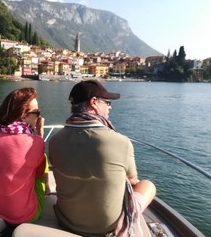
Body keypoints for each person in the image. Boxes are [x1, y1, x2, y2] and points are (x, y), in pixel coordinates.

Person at [49, 80, 156, 237]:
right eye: (107, 102)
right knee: (148, 185)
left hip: (66, 220)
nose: (110, 107)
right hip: (106, 228)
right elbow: (133, 182)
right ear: (94, 102)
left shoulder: (54, 140)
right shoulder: (120, 142)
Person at [0, 87, 50, 225]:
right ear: (23, 115)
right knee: (40, 173)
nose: (39, 116)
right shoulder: (35, 142)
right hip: (21, 215)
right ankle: (46, 193)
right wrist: (39, 135)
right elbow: (39, 171)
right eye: (37, 112)